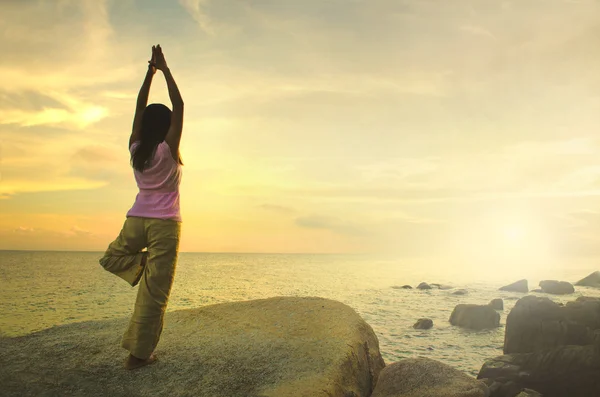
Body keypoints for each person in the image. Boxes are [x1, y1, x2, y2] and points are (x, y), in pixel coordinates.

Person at [98, 44, 184, 370]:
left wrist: (149, 74)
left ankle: (140, 265)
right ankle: (138, 357)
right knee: (154, 294)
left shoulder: (137, 148)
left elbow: (138, 108)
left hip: (136, 219)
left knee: (112, 257)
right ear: (166, 126)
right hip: (164, 226)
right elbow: (179, 104)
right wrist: (165, 70)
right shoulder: (168, 149)